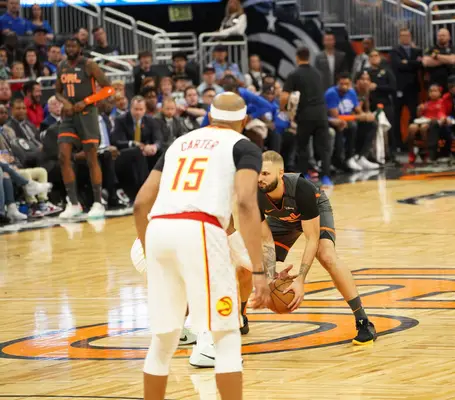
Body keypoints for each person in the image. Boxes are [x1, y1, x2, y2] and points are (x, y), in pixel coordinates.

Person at [133, 91, 269, 400]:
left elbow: (140, 203)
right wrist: (259, 271)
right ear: (244, 122)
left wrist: (148, 249)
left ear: (208, 117)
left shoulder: (177, 143)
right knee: (227, 337)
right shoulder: (243, 146)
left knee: (163, 340)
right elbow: (247, 203)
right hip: (199, 229)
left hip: (158, 231)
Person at [254, 150, 377, 343]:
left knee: (326, 255)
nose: (260, 178)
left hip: (315, 210)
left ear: (280, 173)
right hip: (283, 220)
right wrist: (270, 276)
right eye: (258, 173)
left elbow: (311, 238)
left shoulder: (301, 188)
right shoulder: (254, 194)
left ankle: (363, 320)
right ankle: (239, 318)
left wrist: (301, 279)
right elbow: (266, 240)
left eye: (265, 173)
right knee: (246, 263)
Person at [55, 37, 115, 219]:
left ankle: (98, 202)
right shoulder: (61, 66)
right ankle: (73, 203)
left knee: (91, 158)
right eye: (68, 45)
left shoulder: (89, 65)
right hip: (69, 116)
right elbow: (57, 91)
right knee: (63, 155)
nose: (71, 48)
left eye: (74, 45)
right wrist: (65, 102)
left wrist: (86, 101)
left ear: (80, 48)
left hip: (87, 114)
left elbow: (108, 88)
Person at [282, 47, 332, 186]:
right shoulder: (318, 73)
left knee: (302, 146)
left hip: (305, 114)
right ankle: (326, 177)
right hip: (321, 113)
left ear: (297, 57)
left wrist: (285, 110)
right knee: (323, 147)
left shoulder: (294, 74)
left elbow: (285, 96)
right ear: (309, 57)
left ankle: (304, 177)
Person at [326, 72, 380, 171]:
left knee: (372, 124)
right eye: (341, 84)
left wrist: (367, 116)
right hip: (332, 122)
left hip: (349, 121)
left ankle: (361, 157)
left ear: (350, 84)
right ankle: (348, 158)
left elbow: (358, 111)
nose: (344, 87)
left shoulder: (351, 92)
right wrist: (359, 117)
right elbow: (336, 117)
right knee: (352, 125)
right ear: (337, 83)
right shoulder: (331, 93)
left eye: (347, 84)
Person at [391, 28, 422, 158]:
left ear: (411, 37)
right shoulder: (395, 51)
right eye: (402, 36)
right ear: (399, 37)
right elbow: (398, 65)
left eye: (407, 36)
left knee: (414, 115)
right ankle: (397, 143)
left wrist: (407, 62)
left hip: (413, 87)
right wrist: (412, 63)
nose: (405, 38)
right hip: (399, 88)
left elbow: (420, 65)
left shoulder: (417, 50)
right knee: (396, 116)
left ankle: (412, 141)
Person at [407, 84, 446, 164]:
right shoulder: (427, 103)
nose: (433, 93)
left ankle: (426, 152)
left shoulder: (442, 102)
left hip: (433, 123)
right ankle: (412, 152)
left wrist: (441, 119)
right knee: (411, 127)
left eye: (435, 91)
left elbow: (442, 115)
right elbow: (420, 116)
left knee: (423, 128)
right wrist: (419, 110)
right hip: (423, 120)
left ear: (439, 93)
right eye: (431, 91)